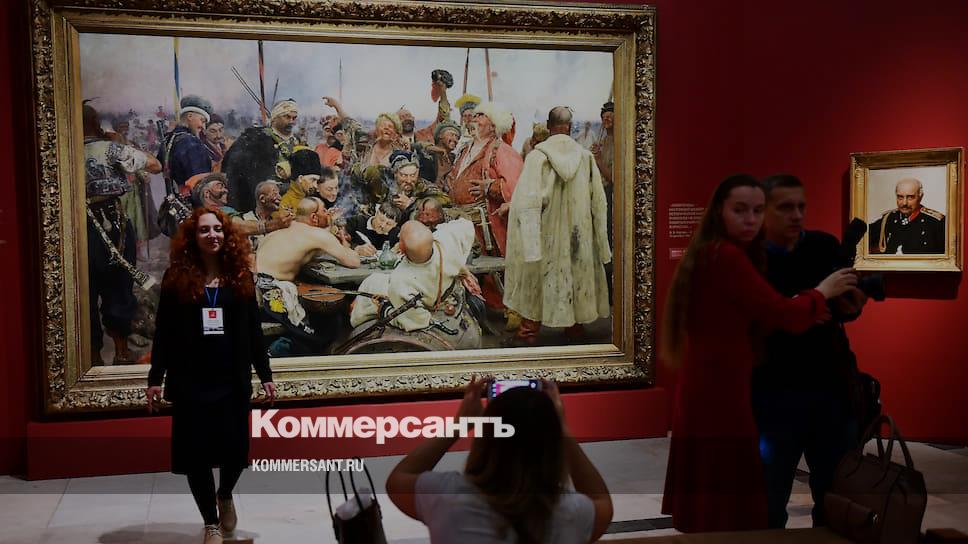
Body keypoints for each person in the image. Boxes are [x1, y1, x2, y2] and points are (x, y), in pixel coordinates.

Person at [659, 174, 858, 533]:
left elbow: (752, 314)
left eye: (756, 211)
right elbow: (781, 313)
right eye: (740, 210)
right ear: (719, 211)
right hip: (726, 388)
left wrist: (804, 305)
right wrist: (821, 292)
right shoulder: (727, 256)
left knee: (720, 493)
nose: (750, 219)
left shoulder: (714, 252)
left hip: (714, 383)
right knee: (736, 497)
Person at [146, 209, 276, 544]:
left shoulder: (240, 276)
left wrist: (265, 374)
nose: (213, 235)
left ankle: (225, 493)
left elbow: (254, 331)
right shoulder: (176, 277)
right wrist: (155, 378)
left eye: (218, 229)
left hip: (231, 378)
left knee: (235, 452)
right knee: (196, 456)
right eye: (204, 230)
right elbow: (164, 332)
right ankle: (210, 523)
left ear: (227, 235)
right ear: (193, 237)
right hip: (190, 379)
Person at [753, 174, 866, 528]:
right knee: (767, 503)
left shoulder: (823, 245)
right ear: (763, 211)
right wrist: (805, 305)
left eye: (801, 206)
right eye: (785, 207)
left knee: (835, 501)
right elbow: (756, 318)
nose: (797, 215)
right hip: (773, 393)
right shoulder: (749, 258)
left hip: (830, 390)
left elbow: (843, 309)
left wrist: (850, 305)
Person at [386, 376, 613, 543]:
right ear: (552, 447)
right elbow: (602, 503)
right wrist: (562, 429)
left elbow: (398, 479)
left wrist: (460, 424)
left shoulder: (447, 496)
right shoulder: (572, 512)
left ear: (485, 441)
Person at [503, 107, 611, 346]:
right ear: (570, 127)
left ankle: (528, 333)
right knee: (575, 276)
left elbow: (526, 203)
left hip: (544, 236)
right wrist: (602, 246)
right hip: (578, 236)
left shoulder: (537, 157)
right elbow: (599, 203)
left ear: (549, 125)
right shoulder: (585, 157)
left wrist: (529, 246)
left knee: (537, 279)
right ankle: (575, 329)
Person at [84, 102, 162, 365]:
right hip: (113, 225)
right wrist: (120, 142)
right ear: (96, 124)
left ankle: (95, 357)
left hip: (80, 227)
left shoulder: (62, 151)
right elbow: (154, 165)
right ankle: (121, 353)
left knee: (85, 292)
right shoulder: (111, 148)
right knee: (118, 287)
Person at [446, 102, 523, 309]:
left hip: (487, 225)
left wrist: (490, 187)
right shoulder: (466, 148)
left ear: (493, 125)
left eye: (481, 116)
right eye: (475, 115)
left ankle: (498, 311)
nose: (474, 119)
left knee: (491, 274)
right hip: (461, 224)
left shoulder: (502, 151)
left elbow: (516, 188)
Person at [255, 197, 360, 347]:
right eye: (325, 211)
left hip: (253, 289)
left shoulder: (281, 230)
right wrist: (344, 240)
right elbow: (354, 262)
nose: (328, 214)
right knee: (327, 324)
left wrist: (330, 227)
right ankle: (281, 349)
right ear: (314, 217)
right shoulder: (317, 235)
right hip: (269, 294)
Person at [350, 219, 475, 332]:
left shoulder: (400, 282)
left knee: (371, 284)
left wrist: (384, 311)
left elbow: (417, 321)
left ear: (401, 248)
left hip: (429, 303)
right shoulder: (447, 238)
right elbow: (466, 224)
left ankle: (355, 319)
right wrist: (462, 269)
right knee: (374, 280)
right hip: (442, 288)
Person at [223, 98, 303, 212]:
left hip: (291, 200)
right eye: (287, 117)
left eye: (294, 118)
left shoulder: (297, 142)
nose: (291, 121)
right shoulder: (254, 139)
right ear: (275, 118)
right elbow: (235, 168)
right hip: (262, 199)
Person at [868, 177, 945, 254]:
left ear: (920, 197)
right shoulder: (888, 218)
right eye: (900, 197)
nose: (904, 203)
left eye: (910, 197)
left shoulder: (936, 223)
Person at [161, 95, 214, 193]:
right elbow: (200, 183)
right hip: (193, 199)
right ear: (189, 116)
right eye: (202, 121)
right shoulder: (192, 143)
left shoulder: (168, 139)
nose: (203, 127)